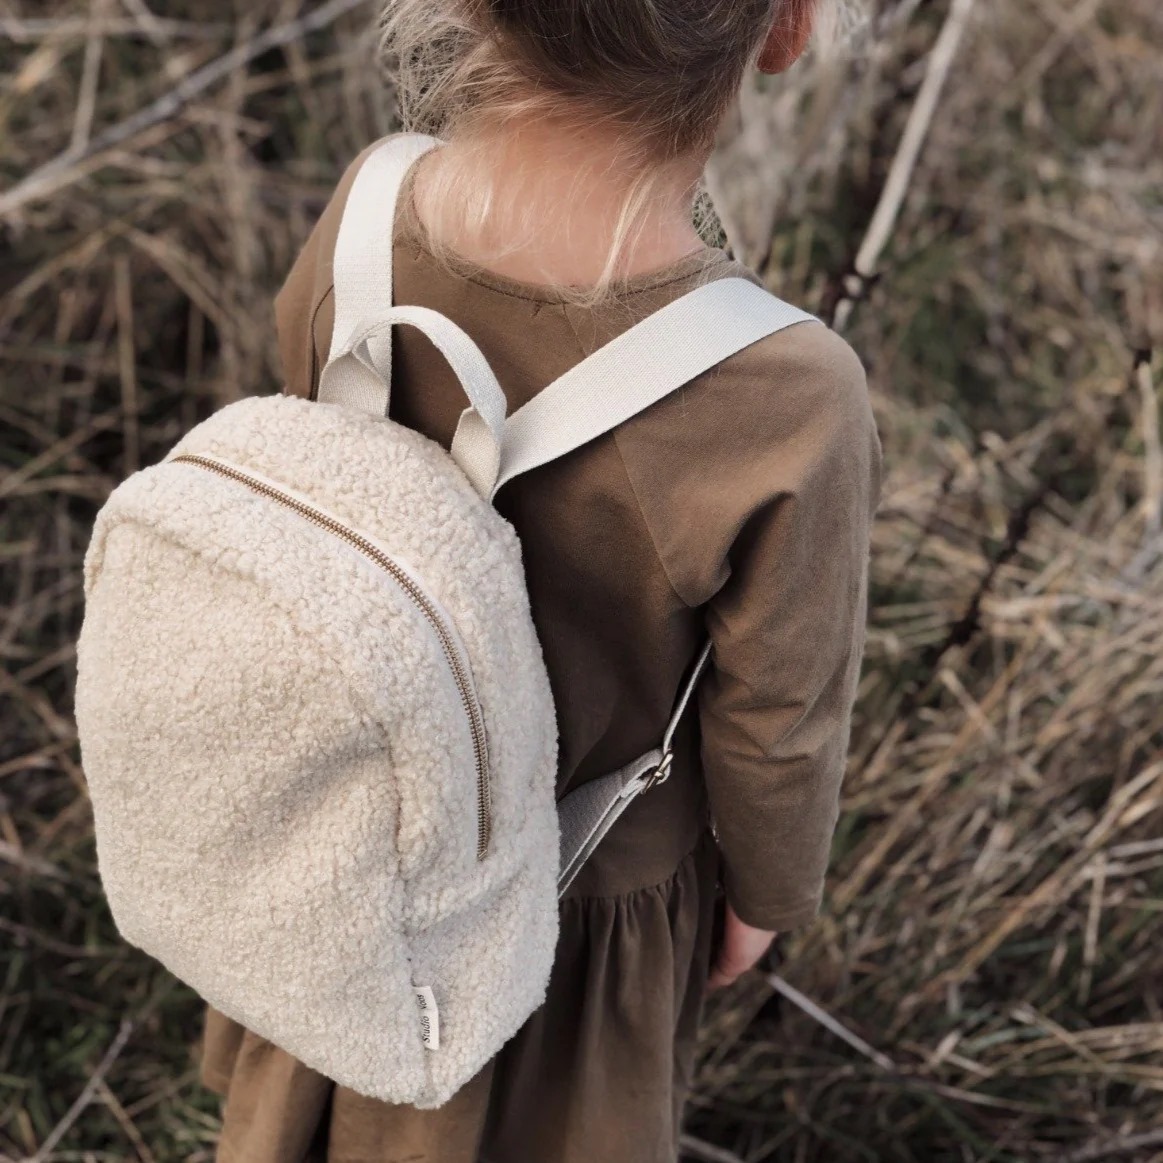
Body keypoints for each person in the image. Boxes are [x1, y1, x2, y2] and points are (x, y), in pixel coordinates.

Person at [200, 1, 882, 1160]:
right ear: (785, 28)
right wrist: (764, 897)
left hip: (343, 844)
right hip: (577, 896)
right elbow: (779, 718)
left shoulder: (368, 213)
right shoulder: (789, 395)